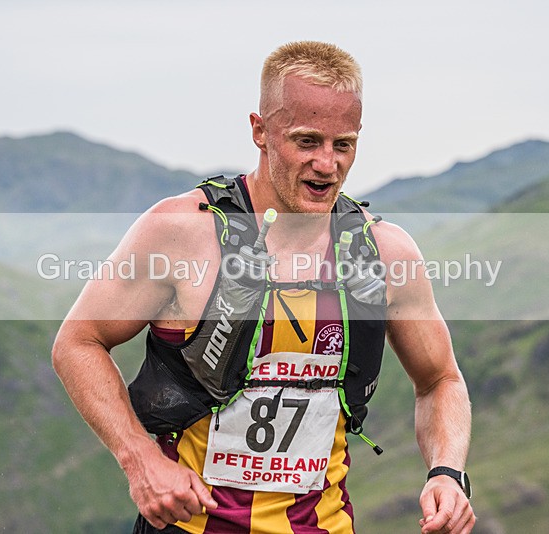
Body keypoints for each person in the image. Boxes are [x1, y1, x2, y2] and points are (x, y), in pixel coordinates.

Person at [52, 41, 475, 534]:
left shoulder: (386, 254)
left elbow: (441, 380)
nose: (327, 164)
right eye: (306, 141)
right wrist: (140, 459)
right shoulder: (181, 233)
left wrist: (446, 472)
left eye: (344, 144)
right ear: (259, 131)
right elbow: (78, 342)